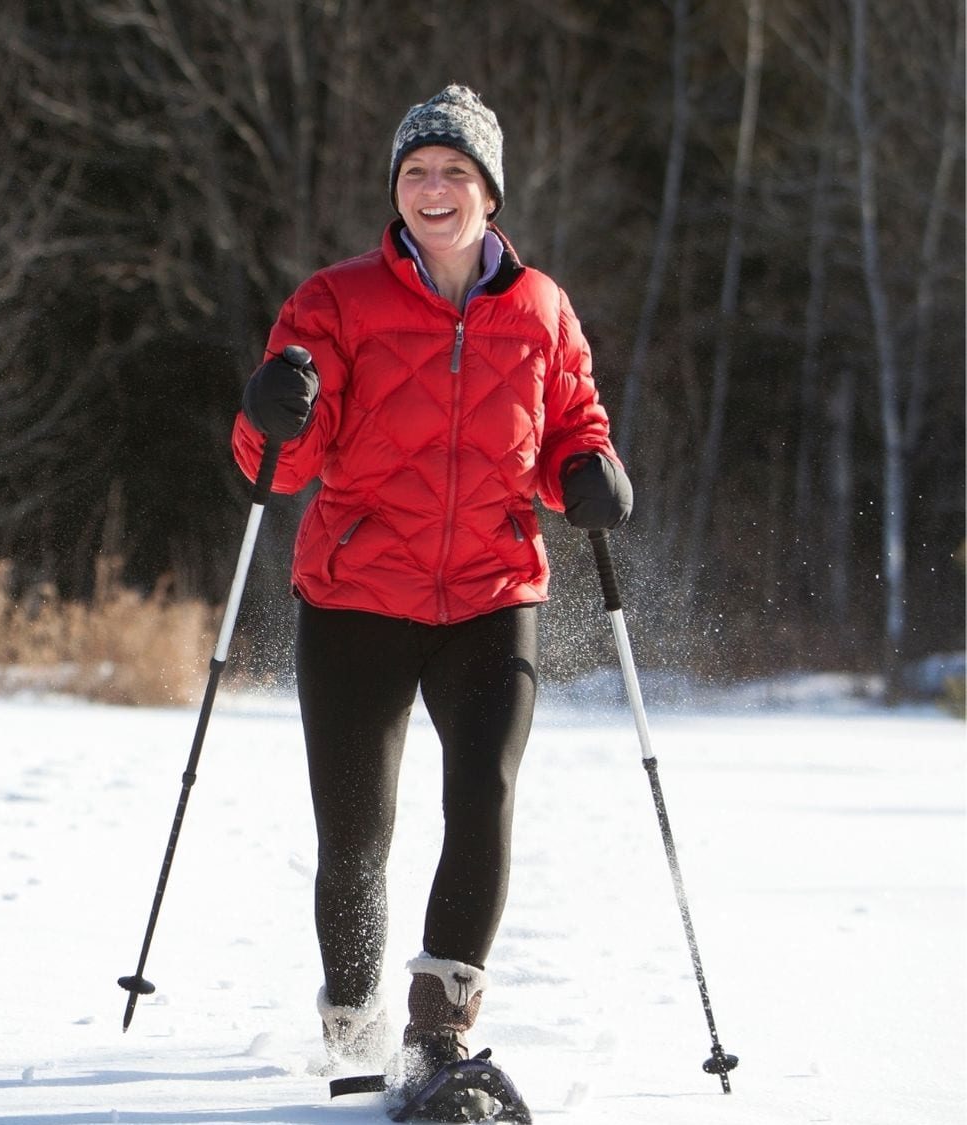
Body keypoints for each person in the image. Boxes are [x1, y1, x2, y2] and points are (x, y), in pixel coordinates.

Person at [230, 85, 632, 1095]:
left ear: (488, 194)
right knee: (355, 832)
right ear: (394, 192)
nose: (432, 188)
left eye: (453, 171)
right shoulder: (333, 300)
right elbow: (276, 468)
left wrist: (588, 470)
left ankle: (438, 1029)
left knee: (481, 796)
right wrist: (269, 411)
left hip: (492, 595)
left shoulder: (540, 308)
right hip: (356, 595)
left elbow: (570, 421)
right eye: (415, 172)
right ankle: (353, 1013)